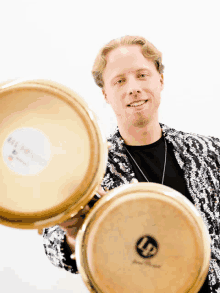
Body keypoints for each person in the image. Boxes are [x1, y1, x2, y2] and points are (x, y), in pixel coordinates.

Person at [42, 35, 220, 292]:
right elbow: (52, 245)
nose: (133, 88)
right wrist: (73, 237)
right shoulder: (89, 167)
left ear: (160, 80)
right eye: (120, 81)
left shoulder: (210, 152)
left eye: (142, 75)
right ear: (106, 93)